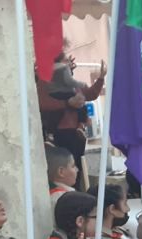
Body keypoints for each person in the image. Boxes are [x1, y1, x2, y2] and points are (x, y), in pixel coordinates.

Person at [36, 56, 106, 191]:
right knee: (59, 172)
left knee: (75, 170)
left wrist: (101, 78)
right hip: (56, 135)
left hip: (75, 135)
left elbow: (90, 94)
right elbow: (43, 103)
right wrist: (67, 103)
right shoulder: (45, 84)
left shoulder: (73, 85)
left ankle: (75, 193)